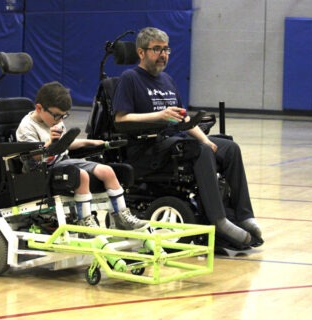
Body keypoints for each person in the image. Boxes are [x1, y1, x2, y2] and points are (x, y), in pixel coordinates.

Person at [112, 27, 263, 249]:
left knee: (229, 148)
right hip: (148, 148)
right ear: (141, 52)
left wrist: (204, 139)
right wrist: (159, 116)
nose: (163, 55)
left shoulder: (167, 80)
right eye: (157, 49)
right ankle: (218, 221)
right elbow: (121, 119)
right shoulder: (130, 79)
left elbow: (182, 119)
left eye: (166, 50)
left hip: (176, 142)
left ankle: (244, 216)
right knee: (197, 150)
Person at [16, 81, 147, 235]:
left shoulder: (55, 121)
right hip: (41, 170)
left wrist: (89, 141)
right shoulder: (26, 127)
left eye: (63, 116)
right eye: (57, 115)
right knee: (81, 175)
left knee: (107, 171)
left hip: (63, 162)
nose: (60, 120)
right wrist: (50, 142)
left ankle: (122, 217)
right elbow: (34, 156)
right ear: (39, 108)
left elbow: (65, 144)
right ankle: (84, 221)